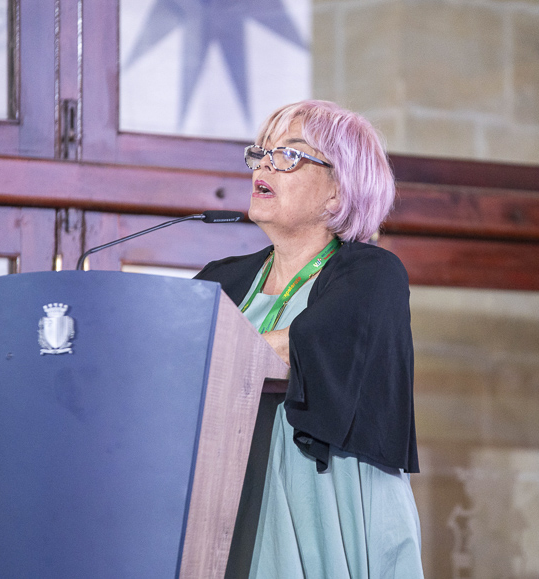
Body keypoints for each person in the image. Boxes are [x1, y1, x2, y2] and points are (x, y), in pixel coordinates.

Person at [195, 100, 423, 578]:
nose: (264, 166)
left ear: (337, 192)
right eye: (261, 153)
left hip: (327, 502)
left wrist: (201, 356)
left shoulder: (371, 273)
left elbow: (307, 343)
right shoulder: (222, 278)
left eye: (289, 155)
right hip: (228, 491)